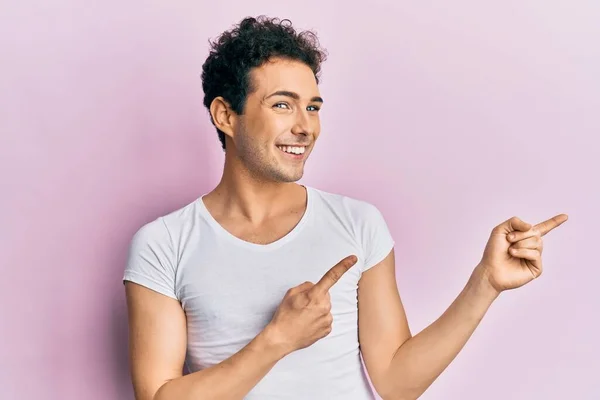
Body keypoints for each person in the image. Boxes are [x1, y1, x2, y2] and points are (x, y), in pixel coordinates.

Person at [122, 15, 568, 400]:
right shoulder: (164, 243)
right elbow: (160, 396)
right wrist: (278, 340)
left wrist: (485, 283)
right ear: (225, 116)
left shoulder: (357, 224)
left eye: (313, 107)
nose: (305, 127)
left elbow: (396, 382)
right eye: (282, 105)